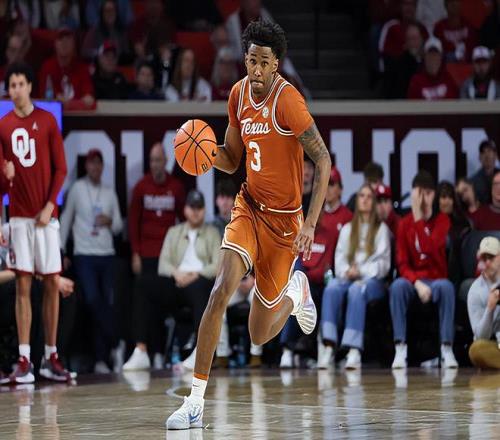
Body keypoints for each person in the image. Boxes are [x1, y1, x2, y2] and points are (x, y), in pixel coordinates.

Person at [166, 20, 331, 429]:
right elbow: (232, 158)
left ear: (276, 64)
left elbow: (323, 159)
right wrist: (204, 153)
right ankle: (195, 401)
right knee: (220, 290)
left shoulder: (288, 102)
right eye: (251, 60)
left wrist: (310, 224)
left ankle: (296, 292)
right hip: (249, 208)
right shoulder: (238, 95)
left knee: (259, 333)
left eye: (263, 62)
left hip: (285, 223)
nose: (255, 69)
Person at [0, 62, 74, 383]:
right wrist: (5, 176)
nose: (16, 90)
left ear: (30, 86)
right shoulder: (3, 126)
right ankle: (24, 359)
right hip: (18, 217)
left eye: (20, 84)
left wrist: (50, 205)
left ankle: (51, 356)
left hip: (45, 218)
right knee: (23, 285)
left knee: (52, 284)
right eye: (11, 85)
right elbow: (1, 184)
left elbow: (61, 168)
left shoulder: (47, 121)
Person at [280, 167, 352, 368]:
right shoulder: (310, 220)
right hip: (309, 278)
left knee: (327, 291)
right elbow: (299, 253)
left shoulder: (346, 218)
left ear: (340, 189)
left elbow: (337, 256)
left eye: (332, 184)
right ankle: (287, 349)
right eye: (325, 185)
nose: (327, 189)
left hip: (332, 277)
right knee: (295, 291)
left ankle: (327, 347)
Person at [59, 149, 123, 374]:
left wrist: (109, 221)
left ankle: (102, 359)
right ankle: (117, 341)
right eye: (92, 163)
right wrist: (60, 251)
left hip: (106, 254)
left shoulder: (109, 192)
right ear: (86, 166)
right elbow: (66, 220)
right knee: (93, 300)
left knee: (105, 303)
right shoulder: (77, 189)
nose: (95, 167)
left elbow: (119, 227)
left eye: (99, 163)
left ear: (102, 166)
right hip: (84, 254)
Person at [123, 143, 185, 371]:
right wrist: (135, 253)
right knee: (143, 302)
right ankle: (144, 351)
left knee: (161, 305)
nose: (155, 164)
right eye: (152, 160)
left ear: (166, 161)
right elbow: (133, 223)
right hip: (146, 256)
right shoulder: (141, 187)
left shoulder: (176, 187)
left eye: (159, 160)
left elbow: (184, 221)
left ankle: (160, 353)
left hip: (168, 259)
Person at [389, 170, 458, 369]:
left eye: (428, 193)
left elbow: (429, 248)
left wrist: (419, 219)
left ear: (434, 195)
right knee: (397, 287)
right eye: (419, 193)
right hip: (414, 281)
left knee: (447, 288)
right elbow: (402, 263)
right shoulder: (404, 224)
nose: (423, 199)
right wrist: (417, 283)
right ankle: (400, 347)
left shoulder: (442, 220)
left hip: (437, 279)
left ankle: (447, 348)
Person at [319, 184, 391, 370]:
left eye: (369, 196)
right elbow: (339, 259)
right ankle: (328, 346)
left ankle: (353, 350)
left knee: (357, 289)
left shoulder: (381, 229)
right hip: (349, 278)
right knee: (332, 287)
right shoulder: (347, 229)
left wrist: (361, 272)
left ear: (373, 202)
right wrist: (347, 271)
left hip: (372, 281)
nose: (365, 200)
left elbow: (383, 265)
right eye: (361, 196)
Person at [157, 190, 220, 369]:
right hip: (177, 283)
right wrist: (176, 274)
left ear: (204, 210)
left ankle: (201, 351)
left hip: (201, 282)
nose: (195, 211)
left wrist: (196, 274)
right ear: (185, 209)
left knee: (201, 289)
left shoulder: (212, 233)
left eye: (199, 207)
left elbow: (218, 265)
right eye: (192, 207)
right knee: (144, 285)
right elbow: (163, 264)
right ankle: (143, 350)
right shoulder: (174, 232)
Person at [38, 28, 95, 110]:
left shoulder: (82, 69)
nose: (64, 42)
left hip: (79, 116)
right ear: (55, 44)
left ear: (74, 44)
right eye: (60, 39)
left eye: (68, 39)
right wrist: (78, 104)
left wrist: (67, 104)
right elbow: (47, 99)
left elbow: (89, 101)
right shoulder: (47, 67)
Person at [467, 237, 500, 369]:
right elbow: (481, 336)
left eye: (491, 258)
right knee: (476, 349)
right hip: (493, 345)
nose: (487, 263)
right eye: (483, 259)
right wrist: (490, 308)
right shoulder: (475, 290)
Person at [470, 139, 499, 205]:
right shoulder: (473, 182)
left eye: (489, 151)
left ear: (496, 156)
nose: (487, 155)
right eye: (483, 152)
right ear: (479, 157)